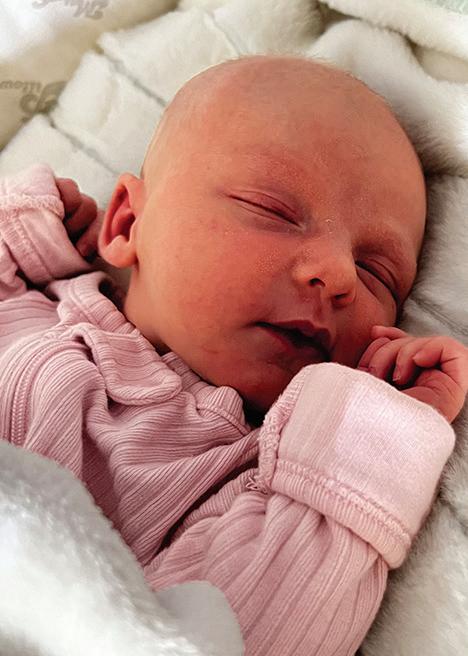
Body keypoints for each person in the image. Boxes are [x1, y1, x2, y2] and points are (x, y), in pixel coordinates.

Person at [0, 54, 466, 655]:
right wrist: (27, 237)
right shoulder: (40, 303)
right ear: (126, 223)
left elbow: (242, 635)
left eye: (378, 274)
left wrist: (371, 439)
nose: (338, 274)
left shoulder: (252, 481)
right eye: (273, 211)